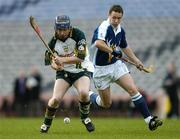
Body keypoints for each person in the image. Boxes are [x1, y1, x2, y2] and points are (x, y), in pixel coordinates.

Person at [89, 5, 163, 131]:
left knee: (133, 90)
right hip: (101, 70)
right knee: (106, 104)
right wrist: (112, 51)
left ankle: (149, 120)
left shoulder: (120, 30)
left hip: (116, 66)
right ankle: (88, 94)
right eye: (114, 18)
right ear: (109, 16)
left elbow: (125, 47)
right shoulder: (104, 27)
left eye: (119, 18)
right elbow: (98, 43)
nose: (116, 21)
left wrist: (137, 61)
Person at [40, 15, 95, 133]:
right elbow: (51, 63)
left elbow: (80, 57)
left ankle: (85, 118)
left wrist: (62, 60)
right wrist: (56, 65)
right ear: (55, 29)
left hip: (81, 70)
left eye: (64, 29)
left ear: (69, 28)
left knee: (84, 93)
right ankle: (46, 124)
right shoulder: (52, 42)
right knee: (55, 100)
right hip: (64, 73)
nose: (62, 32)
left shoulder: (78, 34)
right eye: (59, 29)